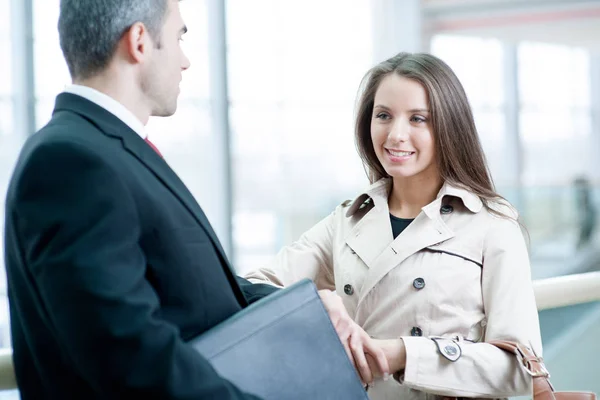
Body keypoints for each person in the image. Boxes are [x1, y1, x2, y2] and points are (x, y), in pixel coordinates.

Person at [3, 1, 387, 398]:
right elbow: (128, 355)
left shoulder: (106, 151)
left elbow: (191, 292)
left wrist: (308, 308)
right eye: (178, 37)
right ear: (138, 42)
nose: (185, 62)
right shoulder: (70, 162)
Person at [245, 52, 543, 400]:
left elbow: (521, 369)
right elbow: (254, 285)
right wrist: (317, 303)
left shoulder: (492, 224)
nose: (396, 135)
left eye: (418, 119)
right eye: (383, 115)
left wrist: (404, 354)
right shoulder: (349, 219)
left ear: (449, 126)